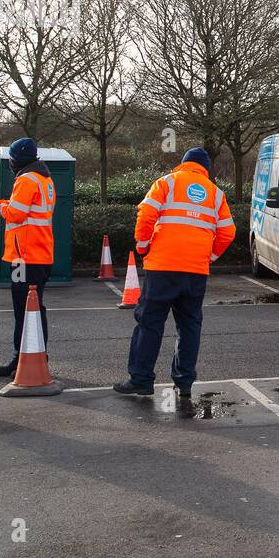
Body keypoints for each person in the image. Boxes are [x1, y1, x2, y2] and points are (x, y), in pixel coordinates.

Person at [114, 148, 235, 398]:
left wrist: (142, 245)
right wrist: (209, 256)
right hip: (195, 270)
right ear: (206, 169)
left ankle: (141, 379)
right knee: (189, 326)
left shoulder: (166, 183)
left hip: (162, 267)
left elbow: (146, 214)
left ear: (183, 164)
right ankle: (184, 382)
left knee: (150, 323)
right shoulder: (215, 194)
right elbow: (228, 232)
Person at [0, 137, 55, 378]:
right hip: (40, 253)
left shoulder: (26, 180)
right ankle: (36, 354)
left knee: (23, 309)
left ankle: (21, 357)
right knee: (35, 308)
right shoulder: (45, 179)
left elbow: (15, 214)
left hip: (24, 256)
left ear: (17, 161)